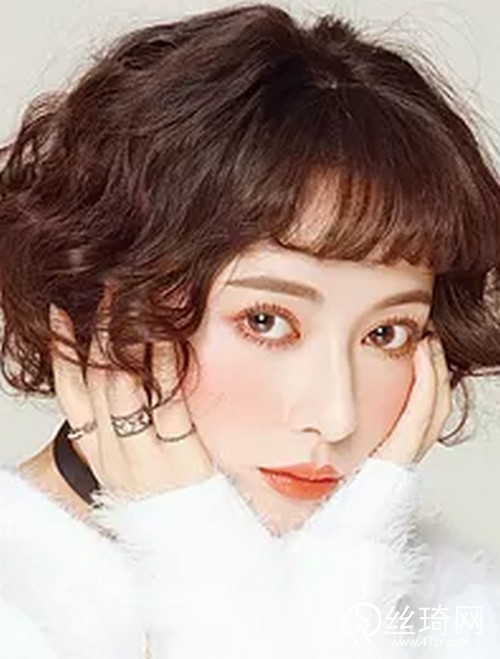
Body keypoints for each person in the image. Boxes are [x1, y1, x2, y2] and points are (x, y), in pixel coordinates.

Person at [1, 3, 500, 657]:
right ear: (104, 307)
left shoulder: (450, 603)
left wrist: (331, 559)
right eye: (266, 321)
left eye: (387, 334)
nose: (336, 416)